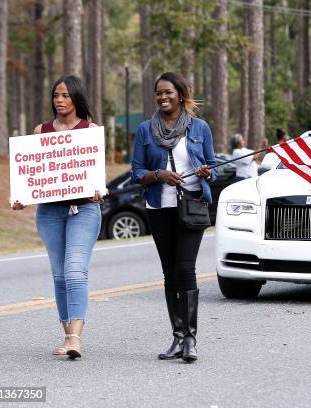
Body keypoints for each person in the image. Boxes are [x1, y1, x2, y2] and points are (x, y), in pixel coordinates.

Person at [12, 75, 104, 359]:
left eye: (65, 95)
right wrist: (22, 196)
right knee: (60, 275)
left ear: (76, 97)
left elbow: (95, 173)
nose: (59, 100)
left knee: (75, 270)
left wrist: (99, 189)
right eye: (56, 95)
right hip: (50, 213)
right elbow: (34, 173)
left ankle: (75, 337)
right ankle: (67, 335)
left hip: (84, 210)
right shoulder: (42, 131)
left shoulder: (91, 131)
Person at [131, 72, 217, 363]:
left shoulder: (199, 127)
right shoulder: (145, 130)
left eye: (168, 92)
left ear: (181, 94)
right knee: (169, 273)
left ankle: (191, 338)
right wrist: (159, 175)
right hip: (159, 208)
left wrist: (206, 172)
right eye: (158, 93)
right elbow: (136, 172)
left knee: (185, 269)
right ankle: (178, 337)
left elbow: (213, 166)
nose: (163, 97)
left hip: (191, 205)